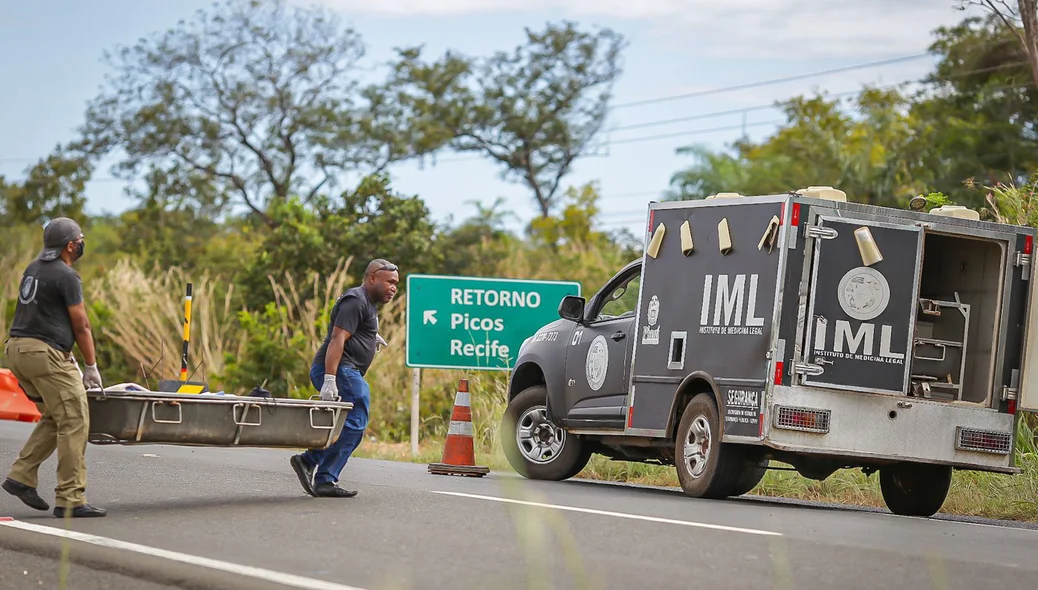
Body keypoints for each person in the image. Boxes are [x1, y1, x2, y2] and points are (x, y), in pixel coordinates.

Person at [2, 217, 106, 518]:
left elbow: (45, 316)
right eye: (81, 238)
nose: (82, 242)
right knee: (75, 419)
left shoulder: (33, 269)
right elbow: (81, 324)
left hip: (17, 349)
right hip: (43, 354)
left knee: (55, 415)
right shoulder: (66, 275)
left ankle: (20, 477)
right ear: (71, 244)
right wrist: (90, 365)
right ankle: (71, 499)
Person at [290, 259, 399, 498]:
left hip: (347, 370)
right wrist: (330, 379)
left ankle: (320, 473)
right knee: (356, 421)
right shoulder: (355, 300)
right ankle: (316, 467)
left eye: (396, 284)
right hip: (341, 370)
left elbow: (351, 328)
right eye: (389, 282)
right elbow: (337, 338)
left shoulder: (367, 303)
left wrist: (370, 335)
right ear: (372, 278)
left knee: (350, 424)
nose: (393, 288)